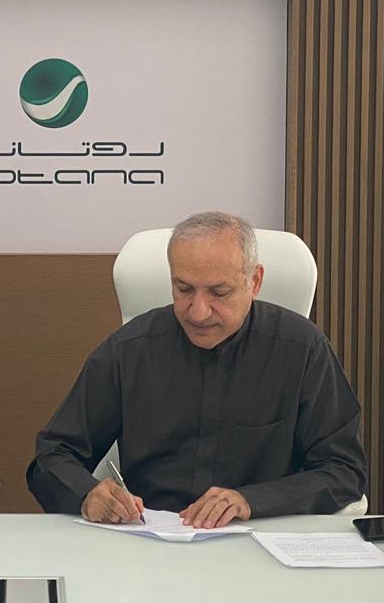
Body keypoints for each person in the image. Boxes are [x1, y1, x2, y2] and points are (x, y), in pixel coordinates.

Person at [27, 211, 366, 527]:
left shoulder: (302, 350)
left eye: (219, 292)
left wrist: (252, 500)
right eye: (184, 289)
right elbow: (52, 457)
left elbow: (344, 471)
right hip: (148, 540)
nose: (199, 312)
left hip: (260, 536)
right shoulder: (129, 350)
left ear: (254, 282)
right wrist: (87, 494)